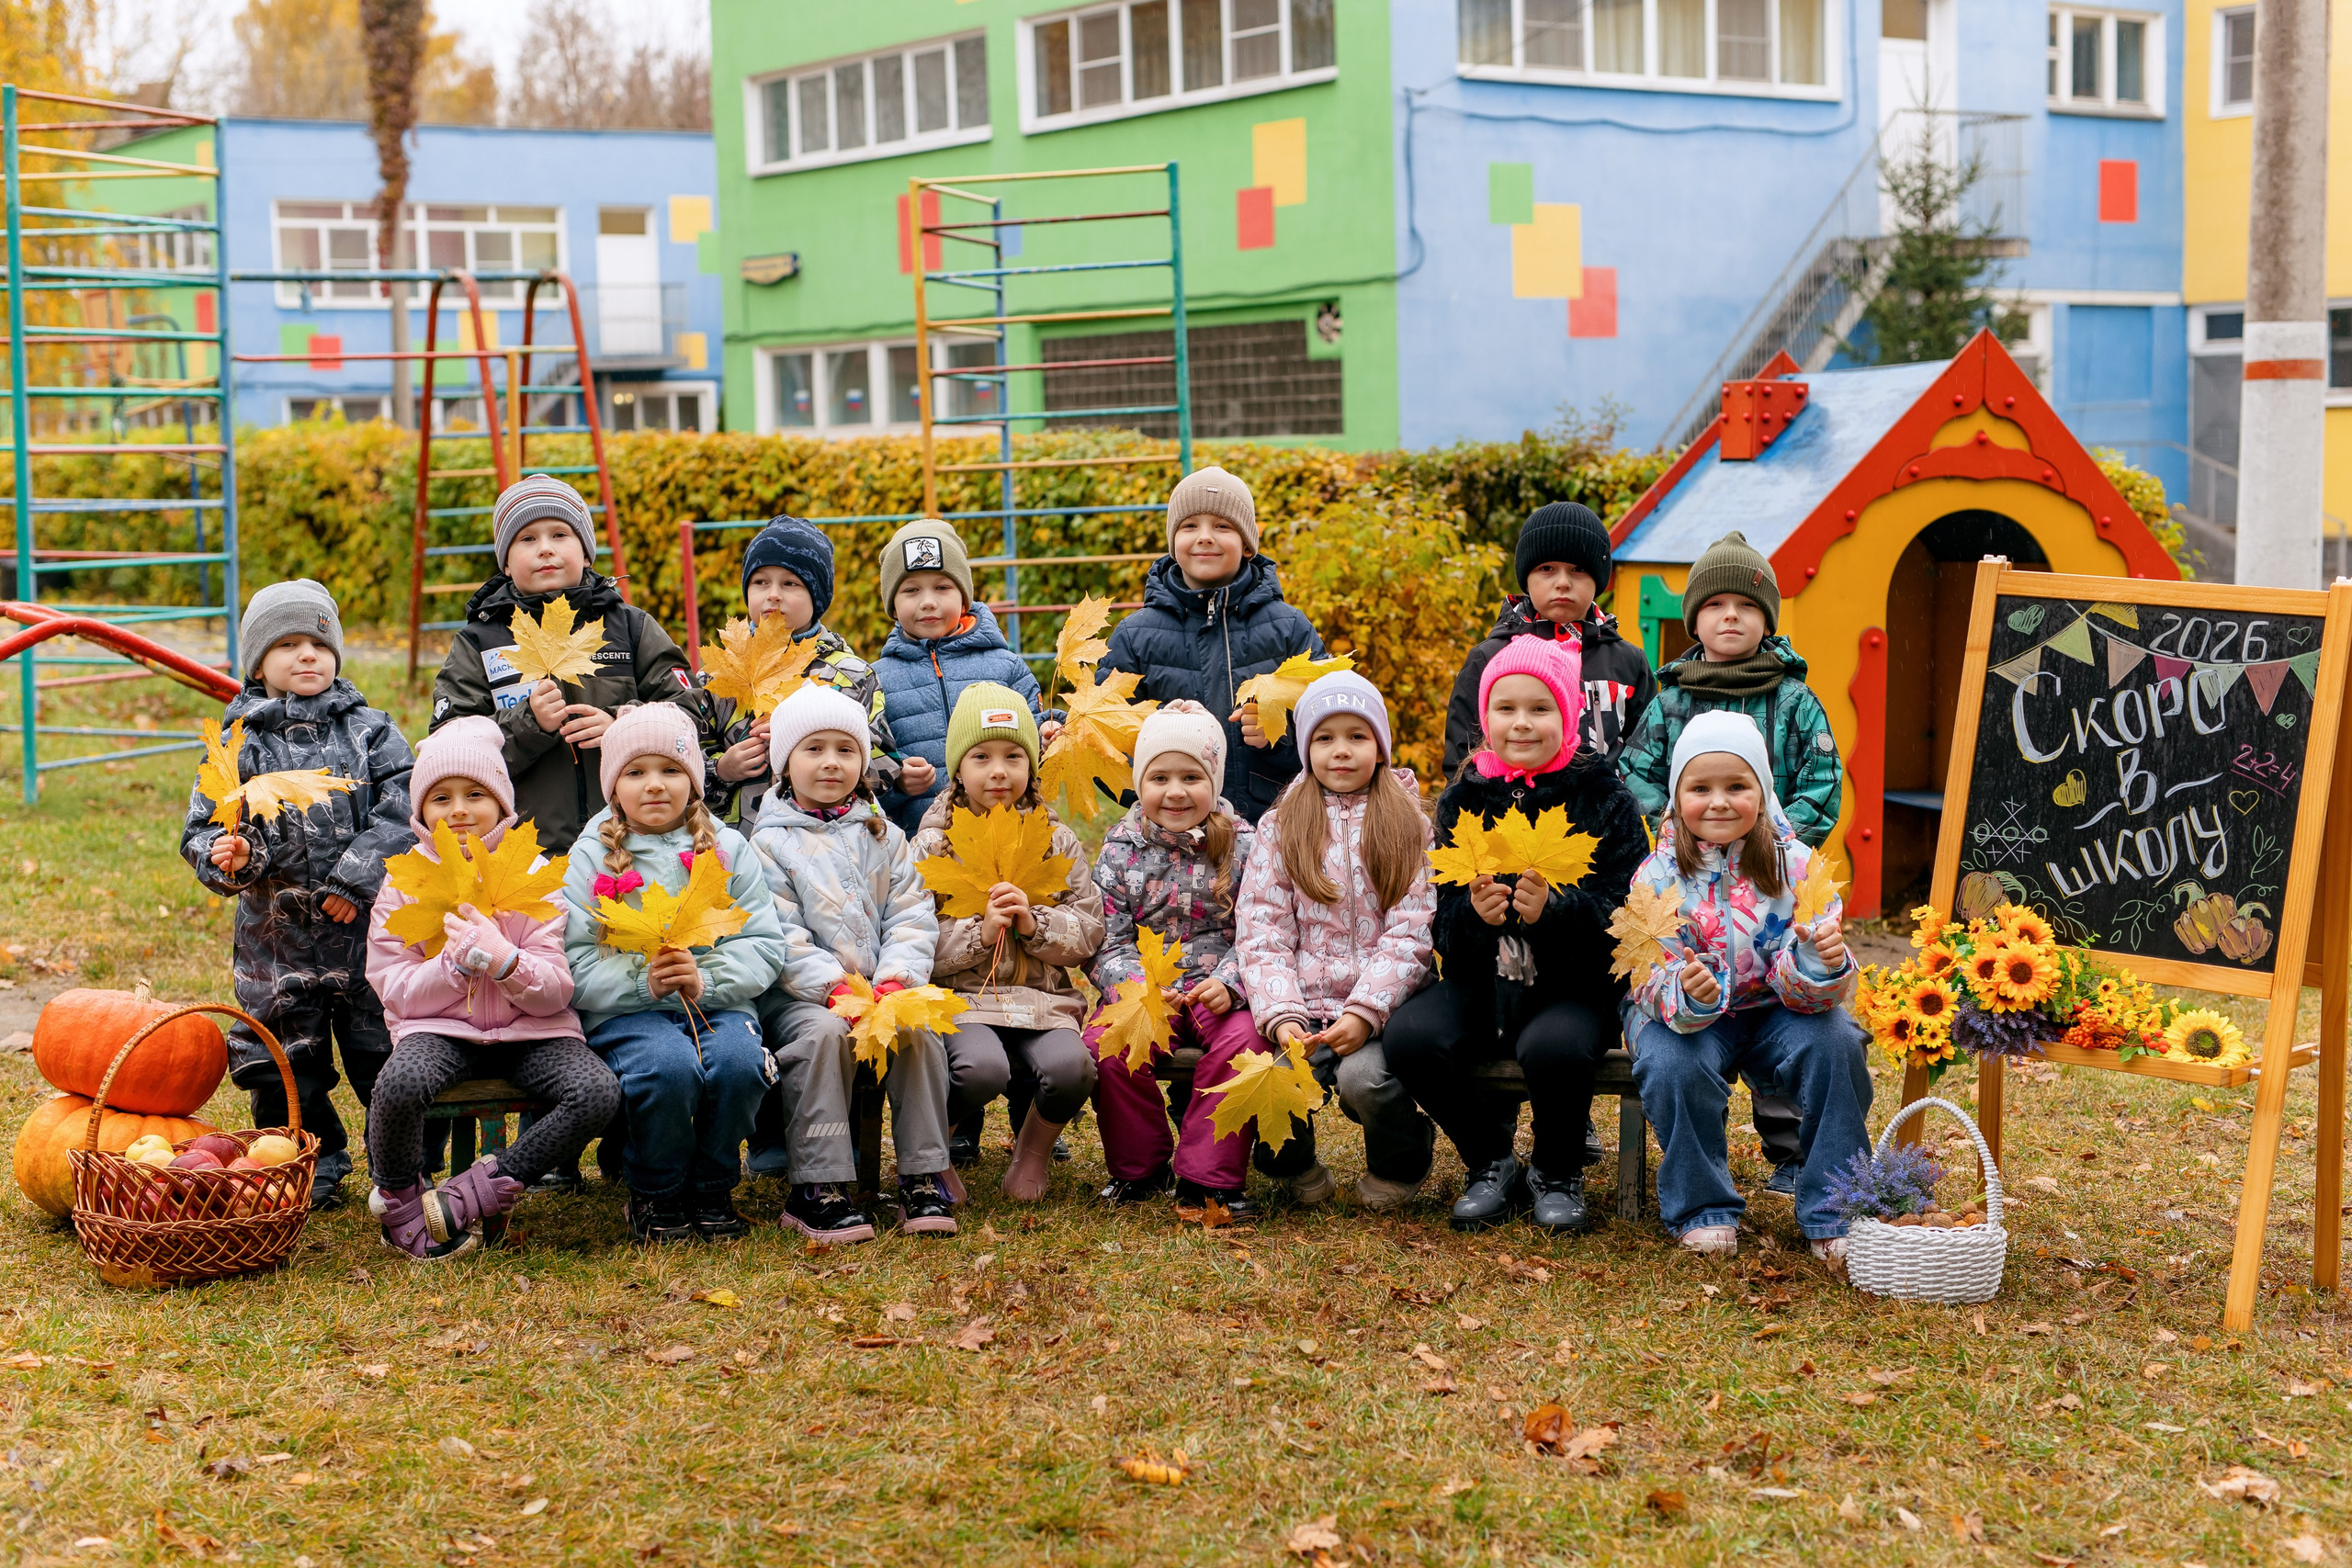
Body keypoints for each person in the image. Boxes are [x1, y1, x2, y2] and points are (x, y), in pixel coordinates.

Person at [1385, 637, 1647, 1234]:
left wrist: (1555, 912)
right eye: (1506, 708)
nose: (1522, 722)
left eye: (1540, 707)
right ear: (1485, 717)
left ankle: (1556, 1171)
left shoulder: (1604, 797)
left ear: (1567, 714)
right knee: (1411, 1037)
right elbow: (1443, 925)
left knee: (1554, 1044)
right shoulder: (1463, 797)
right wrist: (1475, 918)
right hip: (1484, 981)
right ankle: (1491, 1161)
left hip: (1573, 985)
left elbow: (1628, 917)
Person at [1617, 529, 1844, 1194]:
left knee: (1785, 997)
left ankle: (1792, 1153)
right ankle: (1703, 1175)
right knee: (1695, 1016)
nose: (1731, 617)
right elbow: (1636, 772)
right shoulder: (1673, 698)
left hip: (1770, 873)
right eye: (1714, 606)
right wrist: (1682, 826)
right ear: (1695, 621)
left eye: (1746, 605)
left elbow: (1822, 781)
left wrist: (1769, 839)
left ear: (1767, 618)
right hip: (1689, 870)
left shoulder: (1794, 698)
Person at [178, 579, 413, 1211]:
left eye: (318, 641)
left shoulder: (372, 731)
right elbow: (204, 828)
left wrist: (355, 878)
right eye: (287, 643)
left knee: (381, 1053)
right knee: (285, 1061)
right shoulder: (238, 741)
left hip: (364, 933)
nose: (306, 654)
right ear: (258, 660)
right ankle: (315, 1158)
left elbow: (405, 807)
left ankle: (400, 1163)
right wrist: (232, 858)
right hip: (275, 942)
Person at [362, 717, 620, 1258]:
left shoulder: (534, 876)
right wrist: (453, 969)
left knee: (596, 1092)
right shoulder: (405, 880)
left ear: (503, 805)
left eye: (475, 794)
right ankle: (400, 1194)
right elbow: (396, 988)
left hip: (534, 1031)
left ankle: (486, 1186)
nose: (458, 810)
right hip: (441, 1028)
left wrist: (506, 962)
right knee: (399, 1084)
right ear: (420, 812)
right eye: (441, 798)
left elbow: (555, 990)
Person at [1623, 711, 1869, 1261]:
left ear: (1763, 790)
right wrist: (1685, 991)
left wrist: (1818, 962)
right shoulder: (1655, 876)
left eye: (1737, 786)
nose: (1718, 802)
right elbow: (1645, 974)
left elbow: (1817, 978)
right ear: (1675, 794)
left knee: (1835, 1042)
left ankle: (1836, 1208)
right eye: (1700, 788)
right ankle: (1702, 1205)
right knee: (1672, 1063)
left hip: (1776, 1006)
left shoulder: (1800, 869)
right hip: (1685, 1016)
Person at [560, 704, 786, 1244]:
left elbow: (763, 943)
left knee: (735, 1065)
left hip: (718, 1003)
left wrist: (707, 981)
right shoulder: (592, 856)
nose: (655, 785)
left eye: (671, 770)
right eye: (636, 772)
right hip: (629, 1012)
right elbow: (575, 960)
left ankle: (711, 1185)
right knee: (667, 1068)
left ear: (695, 780)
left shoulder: (729, 850)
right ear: (614, 786)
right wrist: (645, 983)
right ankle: (656, 1191)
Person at [748, 684, 957, 1245]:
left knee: (918, 1028)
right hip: (802, 997)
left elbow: (912, 914)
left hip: (883, 987)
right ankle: (820, 1186)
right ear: (784, 765)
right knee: (821, 1040)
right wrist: (834, 987)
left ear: (863, 762)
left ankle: (922, 1171)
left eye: (846, 749)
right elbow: (778, 931)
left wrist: (896, 979)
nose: (831, 762)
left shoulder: (884, 834)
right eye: (813, 749)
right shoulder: (766, 844)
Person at [1232, 671, 1438, 1210]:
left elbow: (1411, 932)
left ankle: (1401, 1162)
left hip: (1379, 1008)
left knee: (1365, 1079)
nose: (1340, 752)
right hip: (1301, 1006)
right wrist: (1283, 1013)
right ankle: (1296, 1169)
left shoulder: (1407, 824)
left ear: (1380, 746)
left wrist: (1366, 1011)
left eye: (1357, 736)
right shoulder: (1281, 826)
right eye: (1325, 738)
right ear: (1305, 748)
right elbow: (1263, 926)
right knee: (1275, 1083)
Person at [431, 475, 696, 855]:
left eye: (560, 535)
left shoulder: (631, 627)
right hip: (527, 855)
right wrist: (528, 724)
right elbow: (450, 747)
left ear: (587, 553)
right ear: (505, 562)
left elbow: (688, 711)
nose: (545, 549)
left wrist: (624, 725)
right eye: (527, 539)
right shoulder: (479, 642)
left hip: (634, 844)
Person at [910, 685, 1104, 1201]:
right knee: (981, 1069)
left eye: (1014, 756)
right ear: (957, 769)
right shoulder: (933, 844)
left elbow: (1088, 930)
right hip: (964, 1001)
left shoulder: (1055, 841)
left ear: (1031, 766)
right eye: (981, 757)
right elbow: (912, 938)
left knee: (1072, 1068)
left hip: (1041, 1002)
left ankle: (1032, 1154)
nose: (999, 771)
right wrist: (982, 932)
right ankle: (930, 1151)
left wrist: (1032, 925)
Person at [1084, 702, 1268, 1216]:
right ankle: (1138, 1168)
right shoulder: (1121, 850)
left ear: (1215, 779)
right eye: (1159, 777)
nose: (1176, 792)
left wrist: (1232, 982)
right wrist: (1135, 988)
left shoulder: (1247, 846)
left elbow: (1260, 930)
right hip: (1147, 990)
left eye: (1192, 776)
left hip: (1218, 991)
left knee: (1245, 1044)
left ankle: (1206, 1177)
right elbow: (1107, 938)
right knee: (1108, 1047)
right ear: (1140, 782)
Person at [1097, 466, 1329, 825]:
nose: (1205, 537)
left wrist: (1277, 737)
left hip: (1273, 828)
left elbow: (1328, 727)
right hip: (1173, 840)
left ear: (1248, 544)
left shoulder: (1289, 628)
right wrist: (1162, 792)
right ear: (1173, 543)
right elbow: (1104, 748)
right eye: (1190, 526)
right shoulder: (1134, 636)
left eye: (1223, 526)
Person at [696, 513, 898, 829]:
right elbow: (683, 766)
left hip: (830, 844)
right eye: (761, 581)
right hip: (740, 847)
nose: (773, 594)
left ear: (817, 598)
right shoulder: (719, 674)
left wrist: (806, 737)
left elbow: (884, 769)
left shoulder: (851, 675)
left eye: (790, 583)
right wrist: (721, 771)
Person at [1442, 502, 1657, 774]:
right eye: (1547, 569)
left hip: (1609, 812)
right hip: (1509, 813)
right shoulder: (1489, 658)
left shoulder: (1628, 663)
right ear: (1526, 576)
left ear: (1599, 578)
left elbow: (1648, 760)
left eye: (1578, 569)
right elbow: (1461, 761)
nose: (1563, 582)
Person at [871, 518, 1052, 835]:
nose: (928, 601)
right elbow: (860, 771)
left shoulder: (1006, 667)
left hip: (1009, 839)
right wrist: (896, 782)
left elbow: (1033, 738)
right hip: (920, 848)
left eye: (942, 587)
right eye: (911, 590)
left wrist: (1048, 733)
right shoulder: (875, 681)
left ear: (964, 597)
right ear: (892, 605)